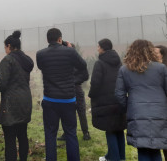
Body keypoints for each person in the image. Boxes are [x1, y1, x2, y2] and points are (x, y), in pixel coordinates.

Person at [36, 28, 87, 161]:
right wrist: (71, 49)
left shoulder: (40, 54)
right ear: (60, 39)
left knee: (50, 134)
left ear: (47, 40)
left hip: (50, 100)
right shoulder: (70, 52)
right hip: (68, 100)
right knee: (71, 133)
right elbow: (83, 65)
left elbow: (42, 67)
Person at [115, 40, 167, 161]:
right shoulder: (161, 68)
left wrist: (129, 107)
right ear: (150, 51)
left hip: (137, 112)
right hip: (159, 113)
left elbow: (119, 94)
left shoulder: (125, 70)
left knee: (142, 150)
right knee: (156, 149)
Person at [0, 30, 34, 161]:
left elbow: (2, 83)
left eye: (5, 47)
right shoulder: (26, 60)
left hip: (11, 103)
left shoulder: (7, 60)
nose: (5, 50)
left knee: (10, 138)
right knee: (22, 135)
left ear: (9, 46)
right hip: (25, 100)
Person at [88, 39, 126, 161]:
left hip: (105, 103)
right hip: (119, 101)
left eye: (98, 46)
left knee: (110, 130)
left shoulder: (99, 63)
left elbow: (95, 83)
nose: (97, 49)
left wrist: (91, 95)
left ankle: (114, 158)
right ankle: (120, 157)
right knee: (119, 130)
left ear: (103, 48)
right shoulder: (119, 63)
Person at [58, 43, 91, 141]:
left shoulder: (78, 62)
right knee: (66, 113)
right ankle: (66, 133)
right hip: (66, 90)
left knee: (81, 111)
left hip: (77, 89)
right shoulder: (63, 62)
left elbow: (85, 75)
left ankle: (86, 132)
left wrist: (73, 81)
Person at [154, 45, 167, 161]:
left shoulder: (164, 68)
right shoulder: (154, 68)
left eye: (156, 52)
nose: (153, 54)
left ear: (162, 54)